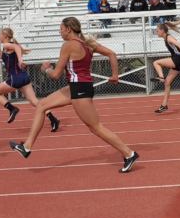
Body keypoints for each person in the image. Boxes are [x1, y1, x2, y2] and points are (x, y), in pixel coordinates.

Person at [9, 17, 140, 173]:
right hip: (77, 87)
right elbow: (112, 54)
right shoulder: (88, 44)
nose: (60, 32)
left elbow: (56, 75)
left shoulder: (69, 45)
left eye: (61, 29)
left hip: (80, 89)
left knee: (96, 128)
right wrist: (115, 75)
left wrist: (46, 69)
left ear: (69, 29)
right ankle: (27, 147)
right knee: (41, 105)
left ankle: (129, 154)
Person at [0, 28, 60, 130]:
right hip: (23, 77)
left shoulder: (6, 45)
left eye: (0, 35)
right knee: (35, 102)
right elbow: (1, 56)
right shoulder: (6, 48)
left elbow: (17, 46)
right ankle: (53, 119)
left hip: (15, 78)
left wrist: (20, 59)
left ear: (5, 36)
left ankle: (12, 109)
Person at [150, 21, 180, 113]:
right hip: (179, 61)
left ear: (162, 31)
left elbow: (179, 45)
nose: (156, 33)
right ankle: (164, 105)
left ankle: (161, 77)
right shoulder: (167, 38)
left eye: (157, 31)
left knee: (156, 63)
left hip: (177, 59)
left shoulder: (168, 38)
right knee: (167, 83)